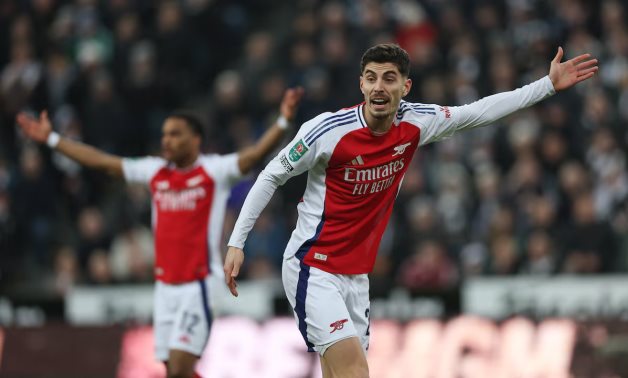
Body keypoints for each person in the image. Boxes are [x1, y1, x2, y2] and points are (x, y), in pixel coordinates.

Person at [223, 43, 597, 377]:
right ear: (361, 85)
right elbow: (271, 175)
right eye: (371, 79)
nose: (379, 87)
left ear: (405, 87)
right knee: (355, 372)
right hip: (312, 265)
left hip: (356, 276)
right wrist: (237, 242)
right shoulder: (327, 131)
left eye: (389, 79)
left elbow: (479, 112)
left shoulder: (417, 121)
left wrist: (545, 85)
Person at [16, 87, 303, 378]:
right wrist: (52, 139)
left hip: (198, 284)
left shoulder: (214, 171)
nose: (166, 140)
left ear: (196, 139)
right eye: (165, 134)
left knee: (179, 366)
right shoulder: (155, 172)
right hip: (165, 287)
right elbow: (102, 162)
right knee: (173, 371)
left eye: (175, 134)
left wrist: (282, 122)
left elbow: (254, 156)